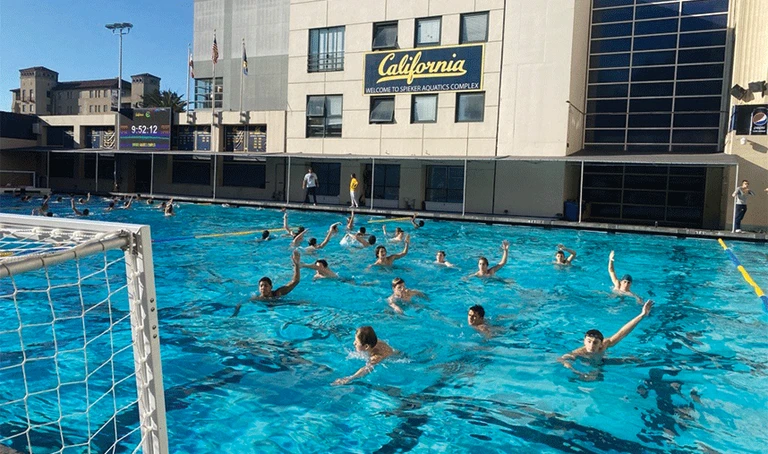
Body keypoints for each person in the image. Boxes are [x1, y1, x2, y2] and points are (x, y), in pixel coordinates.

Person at [558, 300, 654, 375]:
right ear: (584, 341)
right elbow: (563, 358)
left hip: (603, 362)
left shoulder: (605, 345)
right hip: (588, 365)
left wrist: (642, 315)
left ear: (601, 343)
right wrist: (571, 368)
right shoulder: (579, 353)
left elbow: (622, 333)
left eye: (595, 342)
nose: (591, 345)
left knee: (636, 361)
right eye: (589, 341)